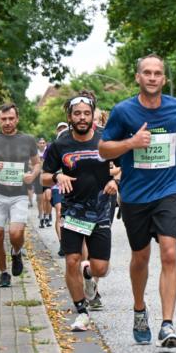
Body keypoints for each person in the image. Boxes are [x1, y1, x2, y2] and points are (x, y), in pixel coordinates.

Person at [99, 54, 176, 349]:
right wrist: (130, 144)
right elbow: (104, 149)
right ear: (138, 77)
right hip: (134, 195)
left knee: (169, 252)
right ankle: (140, 309)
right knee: (140, 256)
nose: (153, 77)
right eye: (147, 72)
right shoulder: (123, 111)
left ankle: (167, 324)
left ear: (164, 79)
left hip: (168, 189)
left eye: (158, 73)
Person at [42, 94, 118, 331]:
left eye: (86, 113)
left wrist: (117, 181)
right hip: (73, 209)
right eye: (77, 114)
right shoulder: (60, 145)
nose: (82, 118)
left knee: (100, 269)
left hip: (102, 209)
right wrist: (57, 176)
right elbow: (44, 176)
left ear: (92, 114)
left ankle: (89, 275)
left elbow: (125, 167)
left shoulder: (107, 139)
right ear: (70, 117)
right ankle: (81, 311)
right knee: (71, 259)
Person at [0, 104, 40, 287]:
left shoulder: (27, 140)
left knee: (16, 233)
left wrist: (32, 175)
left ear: (17, 119)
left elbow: (37, 164)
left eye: (11, 118)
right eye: (4, 119)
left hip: (19, 195)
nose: (7, 122)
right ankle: (4, 273)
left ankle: (17, 251)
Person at [52, 122, 70, 250]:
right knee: (59, 212)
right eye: (60, 129)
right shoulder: (53, 148)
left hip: (71, 188)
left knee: (68, 217)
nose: (63, 131)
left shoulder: (74, 147)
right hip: (56, 187)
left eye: (65, 128)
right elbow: (46, 171)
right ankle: (62, 243)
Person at [34, 138, 51, 228]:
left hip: (47, 177)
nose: (42, 144)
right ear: (38, 144)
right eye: (40, 143)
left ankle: (47, 216)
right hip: (38, 179)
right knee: (40, 199)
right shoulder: (35, 153)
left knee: (48, 197)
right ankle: (41, 218)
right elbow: (30, 163)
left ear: (46, 144)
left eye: (43, 143)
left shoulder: (48, 152)